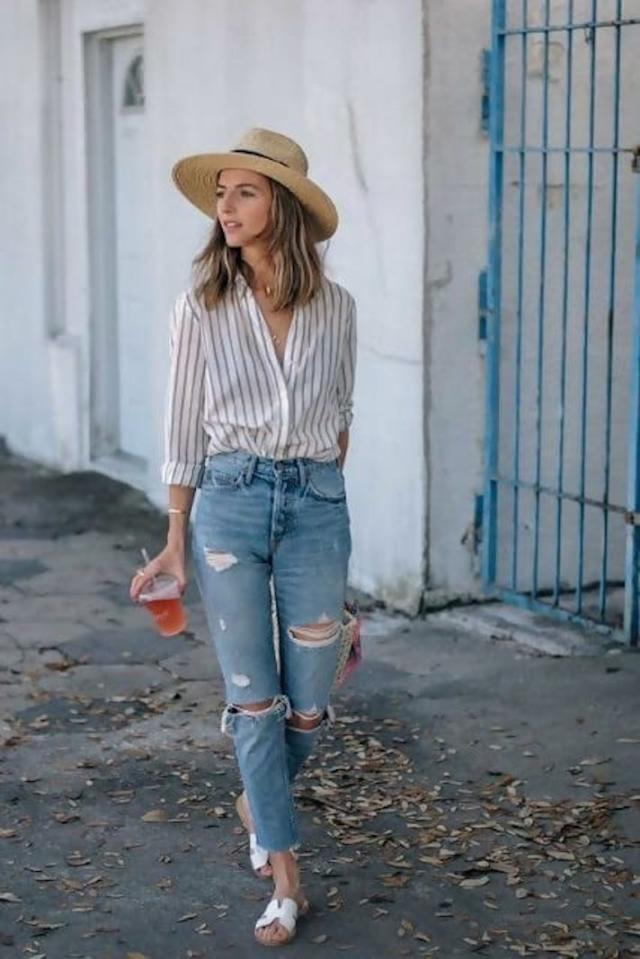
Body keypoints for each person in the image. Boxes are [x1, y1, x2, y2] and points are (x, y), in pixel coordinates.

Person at [130, 128, 357, 947]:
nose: (224, 207)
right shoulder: (201, 304)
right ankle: (286, 877)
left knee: (311, 707)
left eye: (244, 193)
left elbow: (341, 420)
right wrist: (175, 538)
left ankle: (260, 795)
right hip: (227, 501)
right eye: (221, 194)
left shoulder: (338, 307)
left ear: (282, 207)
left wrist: (324, 510)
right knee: (254, 702)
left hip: (316, 506)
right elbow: (181, 427)